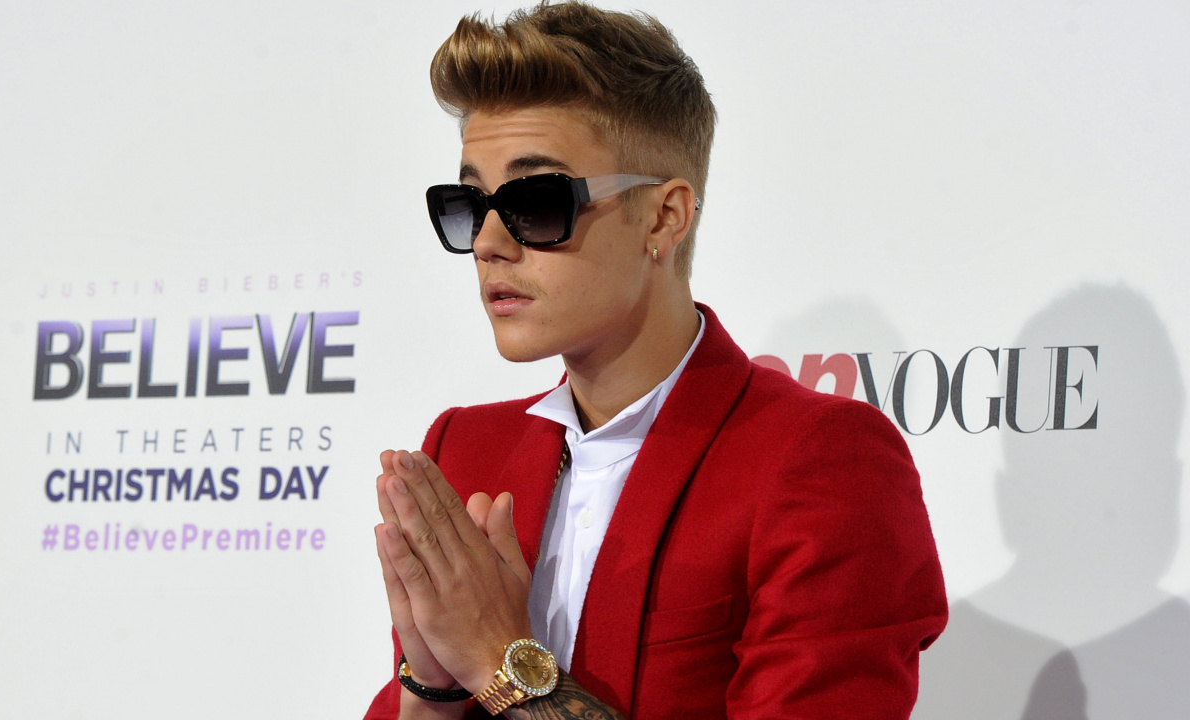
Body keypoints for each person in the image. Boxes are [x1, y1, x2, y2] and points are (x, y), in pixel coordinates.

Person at [364, 2, 947, 718]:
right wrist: (431, 686)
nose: (488, 242)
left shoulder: (822, 461)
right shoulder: (466, 449)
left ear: (665, 217)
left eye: (536, 201)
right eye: (468, 203)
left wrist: (497, 661)